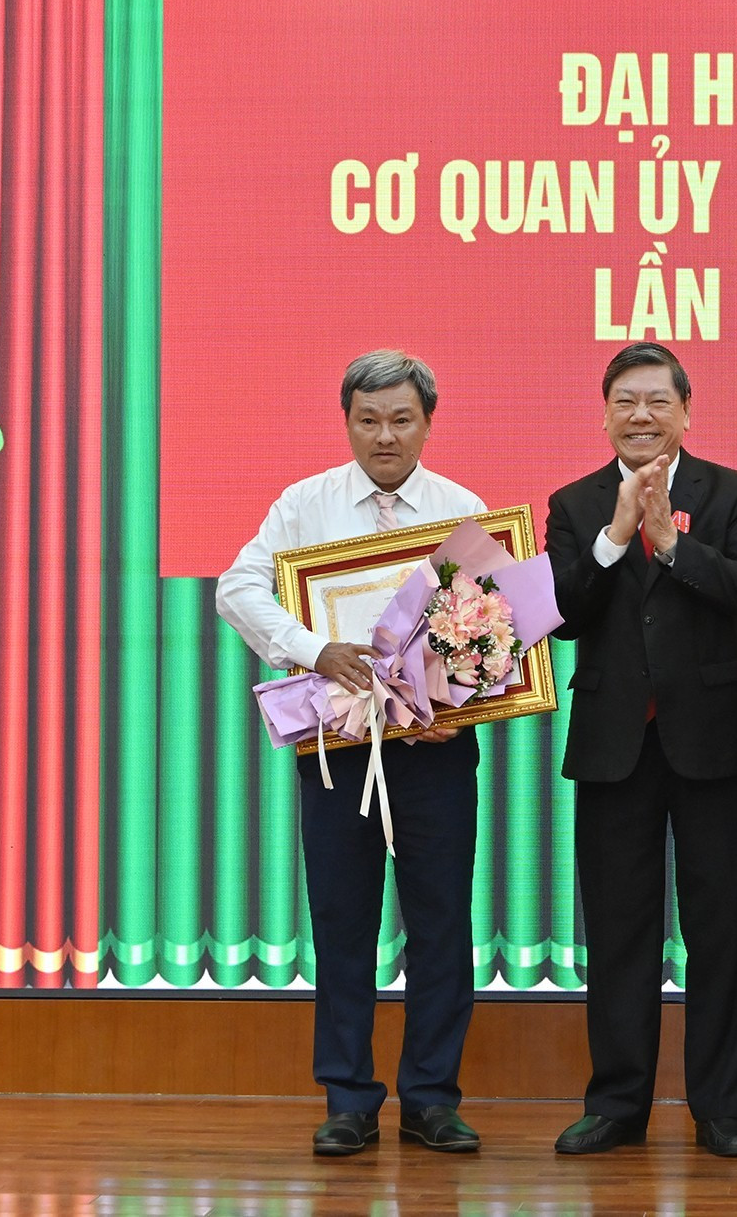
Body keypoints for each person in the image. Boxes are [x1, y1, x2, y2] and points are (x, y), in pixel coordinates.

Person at [216, 349, 485, 1157]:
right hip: (336, 748)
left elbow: (489, 631)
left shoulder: (460, 508)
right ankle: (347, 1097)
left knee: (441, 923)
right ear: (348, 422)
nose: (385, 436)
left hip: (435, 750)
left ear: (427, 422)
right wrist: (311, 646)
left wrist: (457, 699)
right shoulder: (306, 505)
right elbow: (237, 587)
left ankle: (432, 1097)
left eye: (402, 419)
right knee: (341, 920)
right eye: (368, 419)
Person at [545, 342, 737, 1160]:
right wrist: (614, 539)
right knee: (618, 932)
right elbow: (563, 615)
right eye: (625, 402)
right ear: (605, 412)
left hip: (715, 742)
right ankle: (617, 1103)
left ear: (685, 410)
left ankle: (721, 1106)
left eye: (656, 401)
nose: (640, 416)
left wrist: (672, 546)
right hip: (615, 746)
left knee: (721, 929)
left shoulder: (730, 493)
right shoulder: (574, 503)